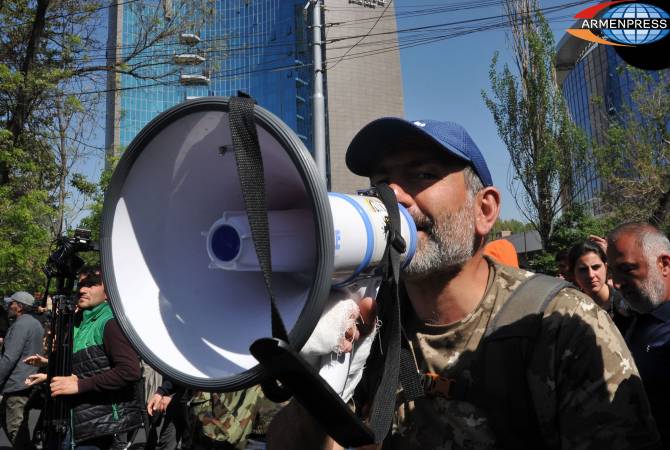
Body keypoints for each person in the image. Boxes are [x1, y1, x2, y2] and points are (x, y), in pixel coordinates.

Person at [269, 118, 660, 449]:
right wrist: (323, 379)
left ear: (484, 210)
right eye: (382, 181)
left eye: (423, 174)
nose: (394, 196)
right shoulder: (370, 319)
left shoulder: (559, 325)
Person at [49, 266, 144, 449]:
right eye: (81, 284)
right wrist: (49, 373)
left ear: (108, 292)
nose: (82, 290)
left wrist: (79, 385)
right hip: (70, 423)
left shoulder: (111, 323)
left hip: (99, 428)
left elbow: (130, 372)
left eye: (91, 284)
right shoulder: (77, 322)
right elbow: (86, 366)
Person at [607, 222, 670, 448]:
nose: (616, 283)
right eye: (613, 272)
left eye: (627, 269)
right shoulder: (631, 320)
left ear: (664, 264)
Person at [0, 291, 44, 449]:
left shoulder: (20, 325)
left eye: (11, 303)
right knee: (16, 425)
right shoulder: (35, 324)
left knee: (16, 431)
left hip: (17, 384)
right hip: (27, 382)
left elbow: (9, 358)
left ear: (19, 307)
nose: (9, 306)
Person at [568, 239, 634, 333]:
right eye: (583, 269)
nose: (591, 275)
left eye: (596, 267)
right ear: (573, 274)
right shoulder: (571, 310)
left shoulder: (628, 304)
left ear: (606, 268)